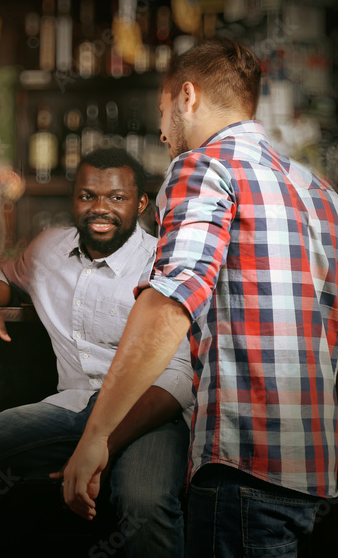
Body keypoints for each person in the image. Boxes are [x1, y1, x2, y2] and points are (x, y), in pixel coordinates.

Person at [62, 37, 338, 557]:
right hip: (315, 471)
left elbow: (169, 305)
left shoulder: (203, 166)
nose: (163, 132)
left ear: (187, 96)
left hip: (244, 464)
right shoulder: (316, 188)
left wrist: (97, 435)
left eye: (164, 112)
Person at [0, 148, 193, 557]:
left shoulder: (164, 262)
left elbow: (178, 379)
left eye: (116, 198)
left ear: (140, 204)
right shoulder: (49, 248)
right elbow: (4, 273)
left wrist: (100, 446)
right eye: (87, 196)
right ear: (73, 200)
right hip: (69, 406)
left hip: (150, 413)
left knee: (144, 502)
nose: (100, 208)